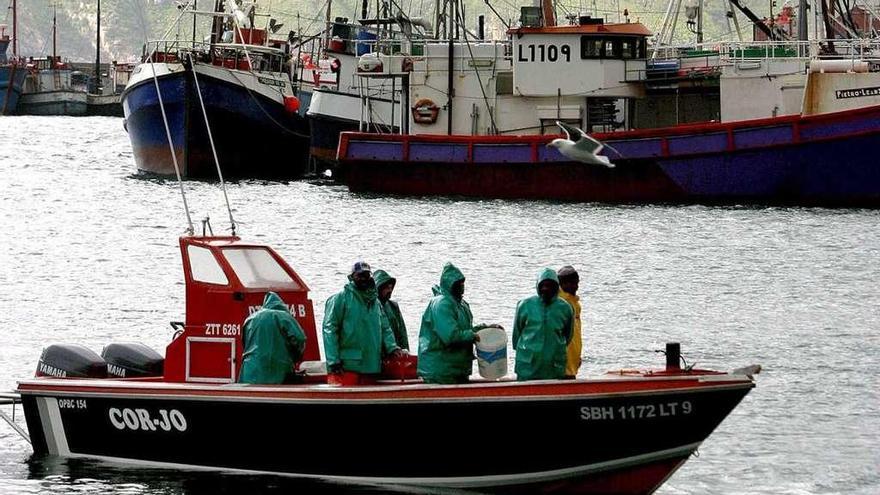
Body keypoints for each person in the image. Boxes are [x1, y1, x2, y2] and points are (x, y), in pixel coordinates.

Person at [323, 262, 404, 377]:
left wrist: (392, 348)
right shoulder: (340, 299)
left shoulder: (375, 302)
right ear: (351, 277)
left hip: (373, 365)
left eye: (366, 275)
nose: (363, 279)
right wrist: (333, 361)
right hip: (348, 366)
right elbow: (330, 330)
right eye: (359, 275)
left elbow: (385, 328)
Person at [417, 262, 486, 384]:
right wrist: (473, 336)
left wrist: (485, 329)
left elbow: (465, 329)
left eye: (462, 283)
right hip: (440, 371)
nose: (461, 286)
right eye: (458, 283)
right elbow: (450, 336)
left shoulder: (462, 305)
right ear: (450, 284)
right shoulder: (442, 304)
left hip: (456, 370)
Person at [512, 268, 574, 381]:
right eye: (543, 285)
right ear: (537, 286)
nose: (546, 289)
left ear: (556, 287)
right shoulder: (525, 305)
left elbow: (568, 336)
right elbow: (517, 334)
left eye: (550, 285)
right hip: (528, 363)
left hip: (554, 363)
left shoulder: (565, 308)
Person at [238, 291, 307, 384]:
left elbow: (245, 343)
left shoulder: (250, 318)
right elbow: (299, 338)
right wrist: (296, 358)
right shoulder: (285, 317)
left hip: (250, 372)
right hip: (279, 372)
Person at [557, 265, 583, 378]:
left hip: (572, 354)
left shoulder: (574, 302)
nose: (575, 286)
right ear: (561, 284)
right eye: (571, 283)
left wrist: (577, 356)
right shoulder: (561, 303)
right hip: (563, 358)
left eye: (576, 283)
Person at [373, 269, 409, 350]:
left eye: (391, 287)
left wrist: (405, 350)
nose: (390, 290)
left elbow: (402, 333)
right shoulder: (371, 307)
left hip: (395, 351)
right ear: (379, 288)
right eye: (386, 288)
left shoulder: (393, 306)